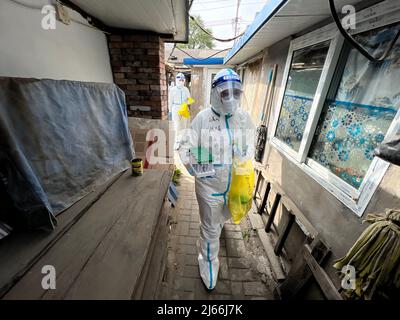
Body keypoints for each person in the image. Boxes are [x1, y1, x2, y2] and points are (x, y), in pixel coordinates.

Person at [177, 69, 255, 290]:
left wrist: (244, 157)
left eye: (237, 93)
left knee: (221, 219)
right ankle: (208, 262)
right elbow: (185, 148)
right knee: (210, 228)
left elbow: (250, 147)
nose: (232, 98)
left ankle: (215, 230)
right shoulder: (203, 118)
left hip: (234, 188)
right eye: (225, 93)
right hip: (210, 188)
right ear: (215, 94)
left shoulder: (243, 117)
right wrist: (199, 170)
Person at [168, 73, 192, 149]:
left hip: (184, 107)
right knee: (177, 126)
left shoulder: (186, 89)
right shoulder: (172, 90)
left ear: (184, 80)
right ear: (176, 80)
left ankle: (183, 141)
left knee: (184, 125)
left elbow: (189, 99)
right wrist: (170, 111)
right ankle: (176, 142)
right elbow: (170, 101)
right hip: (175, 108)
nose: (181, 81)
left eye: (182, 80)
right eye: (179, 80)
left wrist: (188, 102)